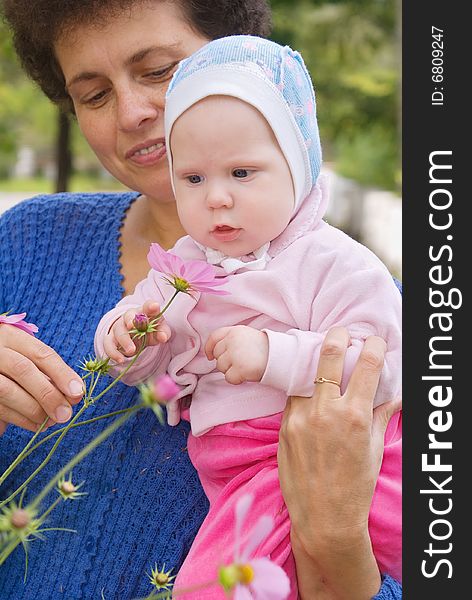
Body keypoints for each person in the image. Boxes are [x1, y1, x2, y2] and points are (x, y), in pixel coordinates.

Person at [0, 1, 402, 598]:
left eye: (159, 70)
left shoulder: (346, 290)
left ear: (236, 58)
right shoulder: (26, 241)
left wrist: (334, 541)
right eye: (94, 94)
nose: (133, 113)